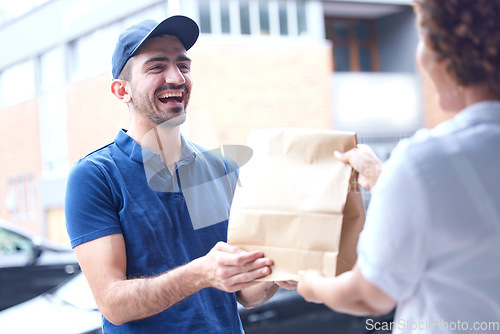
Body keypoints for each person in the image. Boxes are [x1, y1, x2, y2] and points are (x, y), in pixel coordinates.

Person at [65, 16, 295, 333]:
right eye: (157, 67)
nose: (176, 77)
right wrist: (200, 273)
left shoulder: (220, 168)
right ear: (122, 90)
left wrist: (276, 273)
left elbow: (246, 293)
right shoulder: (95, 176)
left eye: (183, 66)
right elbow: (113, 303)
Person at [298, 0, 500, 333]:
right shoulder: (428, 168)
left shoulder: (427, 161)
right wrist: (386, 179)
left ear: (445, 50)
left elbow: (369, 295)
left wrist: (314, 285)